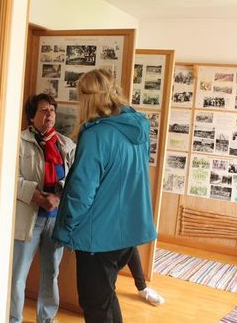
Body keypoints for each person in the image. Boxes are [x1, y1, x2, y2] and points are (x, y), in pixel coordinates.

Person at [53, 69, 157, 322]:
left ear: (87, 98)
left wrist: (67, 226)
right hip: (126, 234)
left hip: (97, 236)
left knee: (94, 304)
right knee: (106, 297)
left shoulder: (96, 134)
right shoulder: (137, 129)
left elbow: (81, 192)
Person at [10, 93, 76, 323]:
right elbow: (10, 177)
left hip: (56, 219)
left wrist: (58, 194)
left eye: (52, 110)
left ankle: (46, 319)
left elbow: (76, 178)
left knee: (51, 274)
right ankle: (13, 319)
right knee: (17, 275)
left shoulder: (65, 144)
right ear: (31, 117)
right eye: (43, 110)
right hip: (29, 218)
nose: (49, 115)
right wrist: (37, 196)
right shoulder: (18, 141)